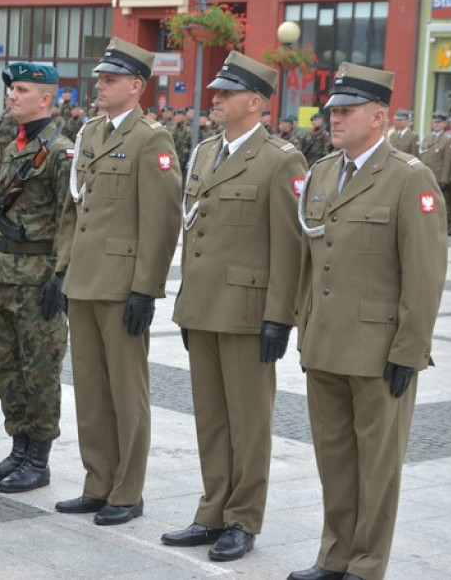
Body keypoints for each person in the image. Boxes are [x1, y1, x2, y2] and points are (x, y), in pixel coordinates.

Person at [290, 62, 447, 580]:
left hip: (379, 350)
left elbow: (424, 274)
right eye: (333, 110)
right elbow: (308, 261)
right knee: (333, 459)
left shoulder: (408, 177)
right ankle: (333, 555)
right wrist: (303, 327)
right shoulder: (322, 171)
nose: (334, 118)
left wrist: (409, 348)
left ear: (379, 117)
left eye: (347, 111)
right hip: (327, 344)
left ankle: (366, 564)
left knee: (377, 466)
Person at [165, 52, 306, 561]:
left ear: (256, 102)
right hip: (203, 306)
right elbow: (194, 230)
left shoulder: (280, 159)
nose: (216, 100)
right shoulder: (205, 152)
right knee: (211, 417)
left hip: (248, 313)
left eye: (226, 94)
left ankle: (243, 519)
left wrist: (279, 317)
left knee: (249, 422)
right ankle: (212, 510)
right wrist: (187, 300)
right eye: (216, 93)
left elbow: (289, 246)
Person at [53, 39, 182, 525]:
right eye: (99, 79)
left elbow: (162, 220)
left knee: (127, 392)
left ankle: (127, 490)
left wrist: (146, 288)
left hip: (121, 281)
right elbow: (76, 209)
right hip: (84, 279)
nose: (99, 86)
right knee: (90, 388)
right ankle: (97, 480)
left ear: (136, 86)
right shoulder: (91, 134)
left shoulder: (152, 139)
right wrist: (64, 268)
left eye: (109, 80)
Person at [0, 62, 72, 493]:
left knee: (39, 371)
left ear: (45, 99)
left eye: (22, 90)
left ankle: (39, 459)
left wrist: (61, 278)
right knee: (5, 364)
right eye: (11, 89)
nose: (11, 95)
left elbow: (71, 218)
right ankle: (18, 447)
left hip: (38, 278)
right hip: (4, 274)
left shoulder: (61, 152)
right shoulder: (14, 147)